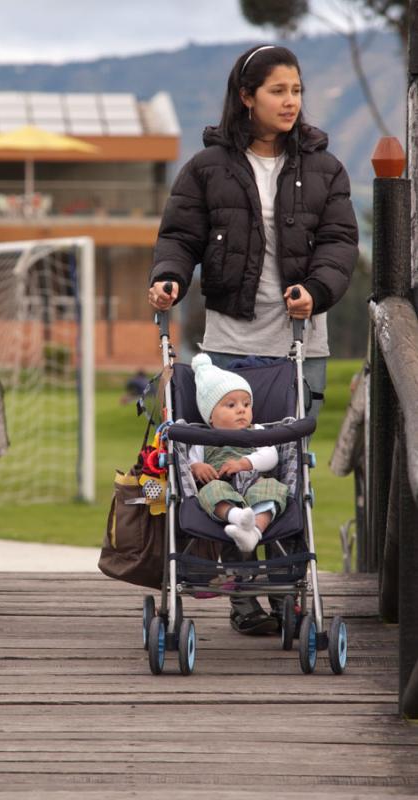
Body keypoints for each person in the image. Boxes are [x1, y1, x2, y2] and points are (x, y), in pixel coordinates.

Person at [148, 44, 359, 634]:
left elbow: (341, 242)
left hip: (300, 340)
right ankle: (244, 601)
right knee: (225, 465)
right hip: (231, 341)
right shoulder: (206, 167)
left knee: (285, 464)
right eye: (277, 91)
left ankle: (288, 589)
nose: (290, 101)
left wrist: (316, 287)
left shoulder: (325, 167)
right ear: (247, 96)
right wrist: (167, 279)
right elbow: (179, 237)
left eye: (297, 91)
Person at [190, 353, 288, 552]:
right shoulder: (202, 438)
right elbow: (190, 463)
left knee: (272, 488)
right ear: (211, 416)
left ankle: (254, 531)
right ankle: (236, 516)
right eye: (231, 405)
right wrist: (197, 467)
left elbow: (271, 456)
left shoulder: (257, 430)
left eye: (246, 404)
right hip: (222, 485)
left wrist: (244, 463)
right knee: (209, 493)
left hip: (254, 482)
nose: (241, 410)